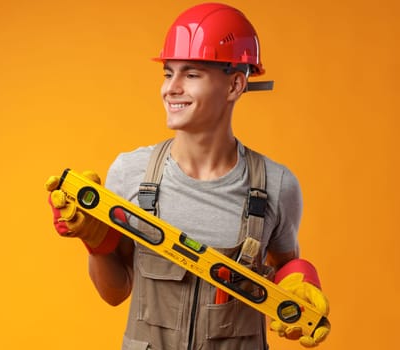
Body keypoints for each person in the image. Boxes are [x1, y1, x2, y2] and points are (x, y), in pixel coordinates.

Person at [46, 3, 330, 349]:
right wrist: (95, 243)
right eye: (168, 73)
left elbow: (284, 271)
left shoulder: (275, 185)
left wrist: (300, 284)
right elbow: (115, 293)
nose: (171, 88)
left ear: (235, 85)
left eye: (191, 74)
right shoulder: (131, 173)